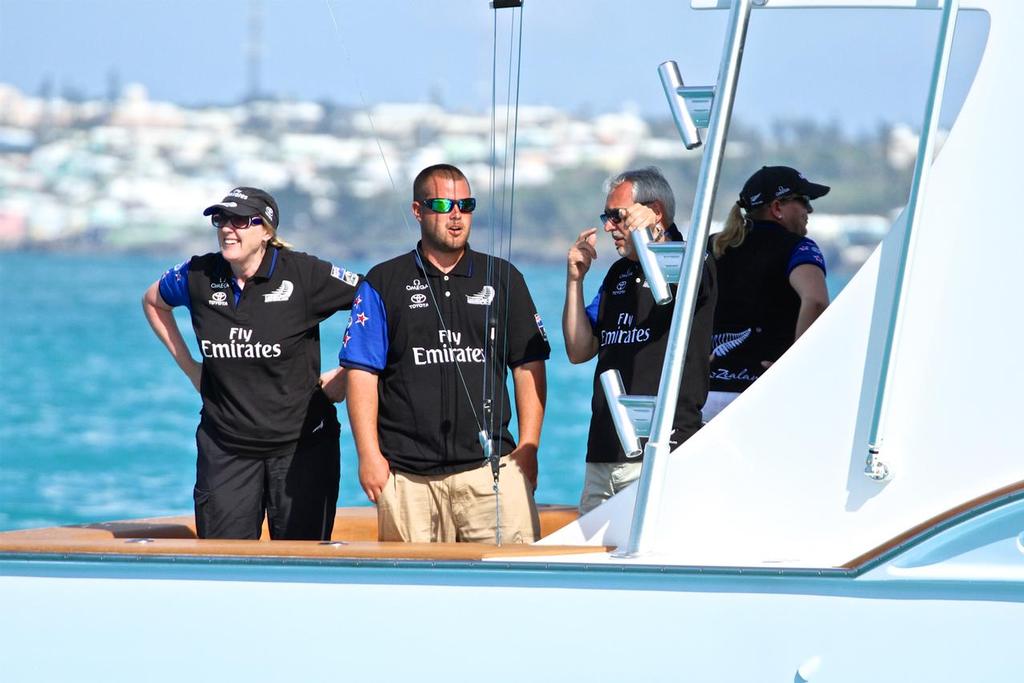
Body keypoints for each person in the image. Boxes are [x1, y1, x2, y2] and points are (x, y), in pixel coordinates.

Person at [338, 164, 550, 543]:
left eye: (465, 205)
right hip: (408, 480)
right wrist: (369, 457)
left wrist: (529, 447)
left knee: (511, 593)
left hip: (492, 474)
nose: (456, 215)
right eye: (442, 204)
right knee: (412, 598)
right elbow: (362, 373)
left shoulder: (503, 277)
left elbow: (528, 365)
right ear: (418, 211)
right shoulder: (384, 281)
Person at [142, 187, 360, 540]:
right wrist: (191, 368)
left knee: (302, 569)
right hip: (226, 447)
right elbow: (153, 301)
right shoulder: (198, 274)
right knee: (223, 571)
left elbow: (376, 303)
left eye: (242, 220)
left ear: (267, 231)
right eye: (221, 219)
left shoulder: (303, 273)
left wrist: (349, 371)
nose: (228, 228)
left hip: (301, 448)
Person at [563, 167, 717, 515]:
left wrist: (656, 236)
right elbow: (579, 350)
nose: (607, 227)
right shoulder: (617, 273)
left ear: (653, 211)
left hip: (660, 450)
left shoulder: (691, 260)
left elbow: (691, 288)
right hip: (604, 453)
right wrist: (574, 281)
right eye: (605, 217)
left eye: (616, 217)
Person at [704, 165, 831, 420]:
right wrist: (795, 366)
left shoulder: (712, 245)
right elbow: (815, 301)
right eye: (803, 201)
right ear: (777, 208)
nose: (809, 210)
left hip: (703, 392)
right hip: (762, 392)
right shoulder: (798, 247)